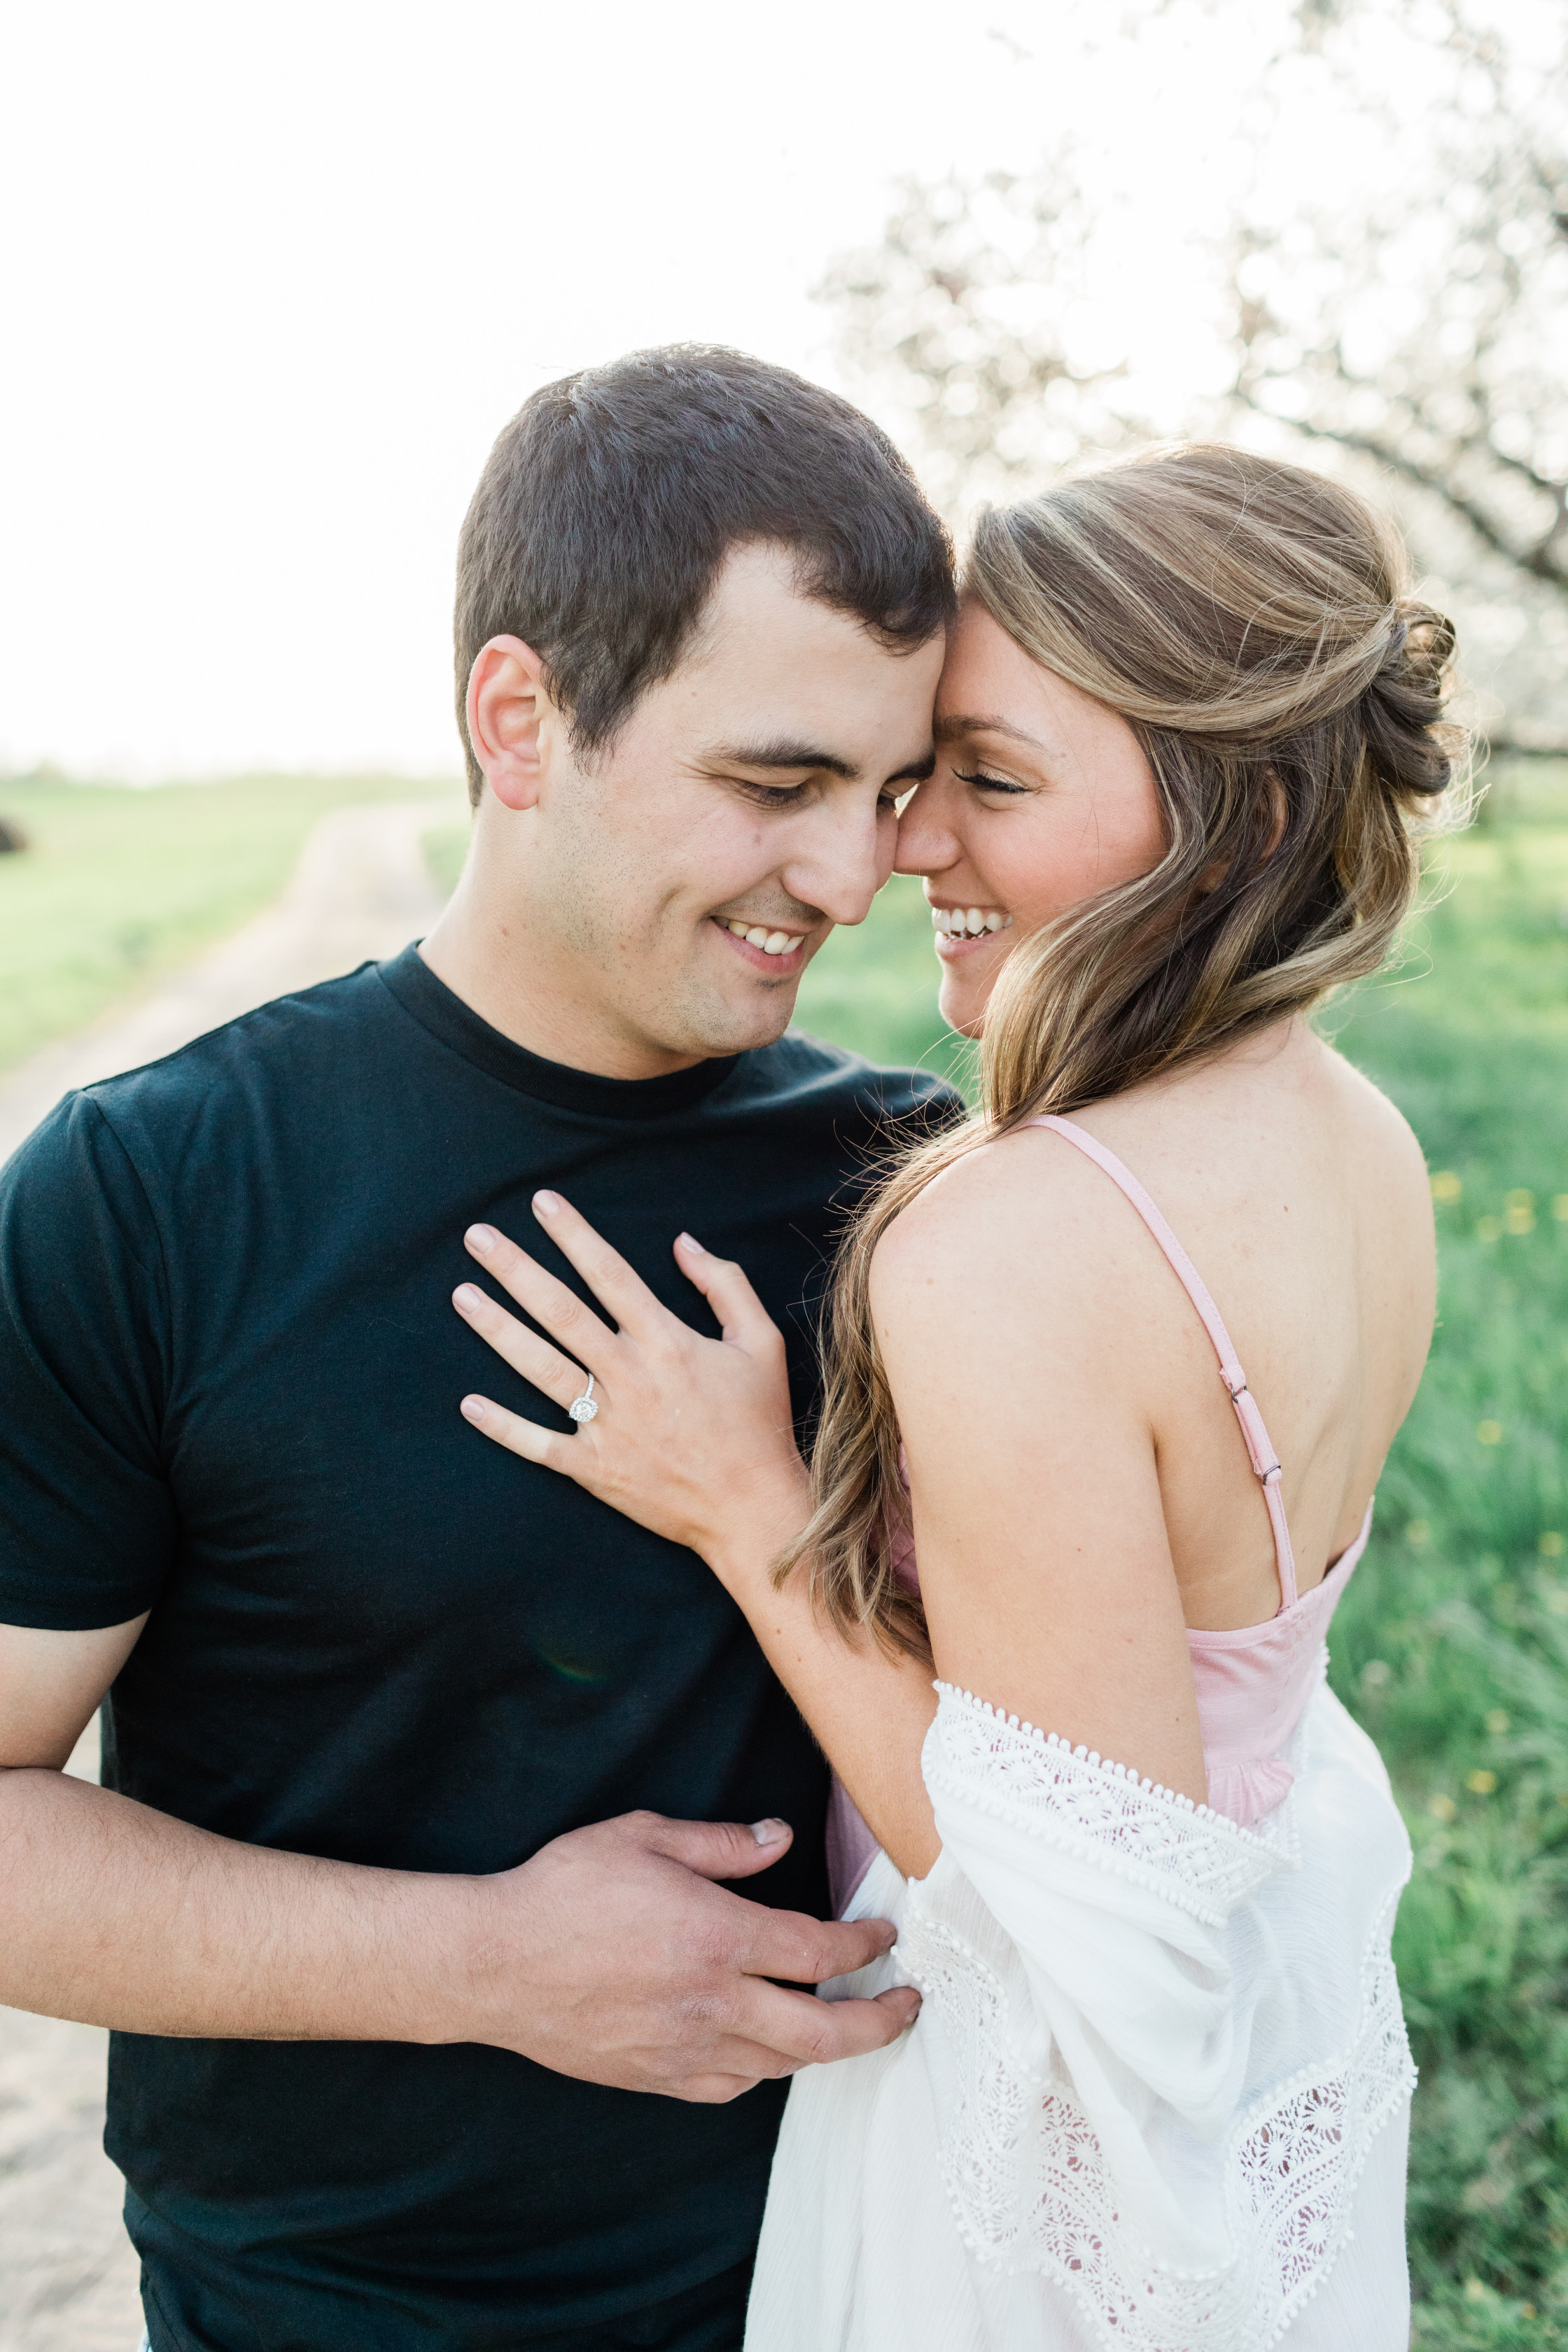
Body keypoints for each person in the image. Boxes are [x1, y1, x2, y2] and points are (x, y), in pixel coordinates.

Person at [450, 445, 1465, 2349]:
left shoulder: (1015, 1240)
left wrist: (747, 1510)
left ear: (1234, 820)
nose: (909, 848)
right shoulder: (1361, 1138)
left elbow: (1064, 1898)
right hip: (1273, 2040)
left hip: (1047, 2158)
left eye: (990, 782)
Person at [0, 346, 959, 2352]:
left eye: (890, 795)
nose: (852, 877)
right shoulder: (153, 1192)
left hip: (864, 2278)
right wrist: (486, 1963)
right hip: (334, 2310)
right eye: (777, 785)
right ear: (520, 720)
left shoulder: (925, 1186)